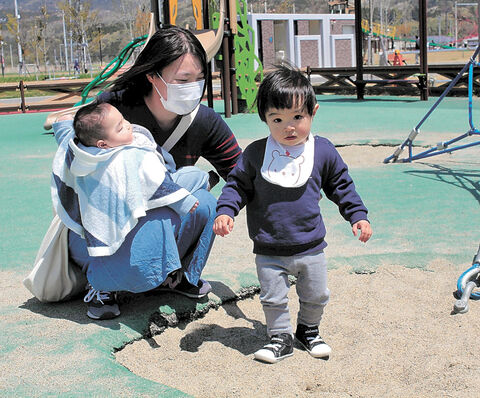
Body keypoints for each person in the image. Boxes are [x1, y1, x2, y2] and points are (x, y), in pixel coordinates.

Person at [60, 26, 242, 320]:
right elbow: (75, 157)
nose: (193, 87)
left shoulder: (204, 121)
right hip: (104, 227)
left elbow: (241, 174)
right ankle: (102, 282)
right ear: (152, 76)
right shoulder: (113, 109)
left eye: (199, 79)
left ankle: (179, 275)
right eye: (183, 80)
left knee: (206, 203)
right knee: (163, 211)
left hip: (159, 219)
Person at [213, 65, 372, 364]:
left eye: (298, 117)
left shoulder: (322, 151)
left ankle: (308, 330)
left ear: (313, 112)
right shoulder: (256, 154)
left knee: (316, 295)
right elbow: (237, 186)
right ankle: (280, 337)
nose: (289, 127)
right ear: (265, 119)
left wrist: (357, 216)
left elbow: (341, 186)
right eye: (277, 119)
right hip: (269, 247)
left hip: (311, 246)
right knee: (273, 298)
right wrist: (226, 211)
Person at [52, 102, 210, 320]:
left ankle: (173, 275)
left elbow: (65, 132)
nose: (127, 126)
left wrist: (61, 123)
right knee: (187, 194)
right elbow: (157, 184)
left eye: (123, 120)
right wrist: (181, 200)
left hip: (124, 226)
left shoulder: (80, 149)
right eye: (119, 128)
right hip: (95, 241)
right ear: (103, 143)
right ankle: (100, 284)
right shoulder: (125, 158)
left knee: (199, 191)